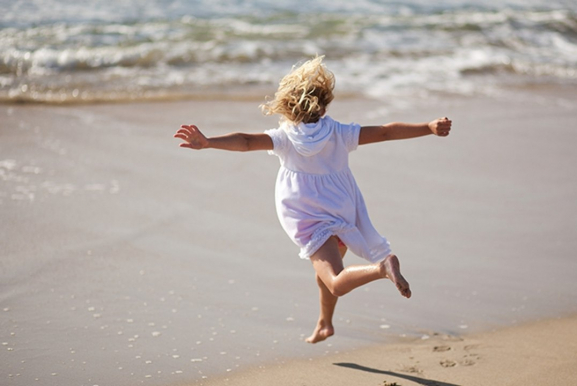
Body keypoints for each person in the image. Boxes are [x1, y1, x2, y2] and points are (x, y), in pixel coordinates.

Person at [173, 55, 452, 343]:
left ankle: (382, 268)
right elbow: (385, 131)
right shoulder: (339, 132)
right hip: (344, 210)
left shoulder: (285, 138)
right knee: (325, 275)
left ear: (286, 106)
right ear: (323, 104)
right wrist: (427, 127)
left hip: (309, 218)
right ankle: (324, 323)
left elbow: (245, 141)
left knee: (335, 282)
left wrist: (208, 142)